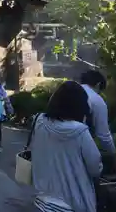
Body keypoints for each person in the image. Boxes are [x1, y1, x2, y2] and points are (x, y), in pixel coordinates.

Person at [31, 81, 102, 212]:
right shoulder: (80, 131)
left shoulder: (39, 121)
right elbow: (95, 168)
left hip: (42, 201)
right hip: (71, 205)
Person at [80, 70, 116, 172]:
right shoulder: (96, 100)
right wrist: (115, 160)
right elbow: (104, 135)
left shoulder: (67, 93)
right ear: (98, 85)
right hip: (79, 146)